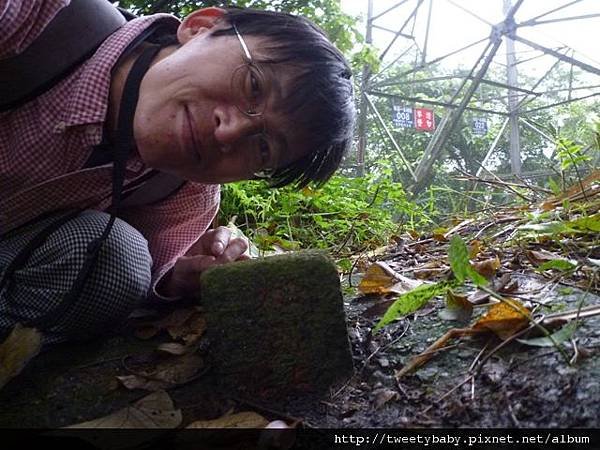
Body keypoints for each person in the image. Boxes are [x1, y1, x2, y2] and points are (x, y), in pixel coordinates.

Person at [0, 1, 355, 345]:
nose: (229, 132)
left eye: (262, 148)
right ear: (200, 26)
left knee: (112, 257)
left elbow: (135, 282)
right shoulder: (40, 17)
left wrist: (178, 280)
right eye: (253, 85)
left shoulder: (185, 194)